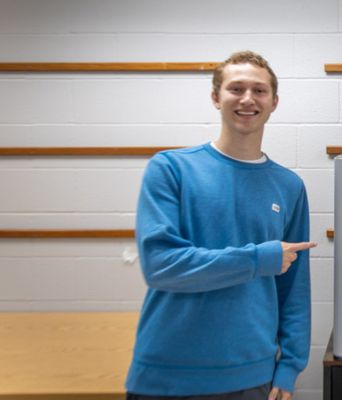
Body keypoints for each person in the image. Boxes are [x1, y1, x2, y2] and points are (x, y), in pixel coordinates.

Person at [126, 50, 316, 400]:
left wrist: (290, 367)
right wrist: (259, 259)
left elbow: (294, 291)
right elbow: (161, 266)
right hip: (167, 377)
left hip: (252, 379)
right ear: (216, 98)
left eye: (259, 91)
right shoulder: (170, 169)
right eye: (236, 89)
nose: (248, 99)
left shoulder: (289, 187)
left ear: (274, 102)